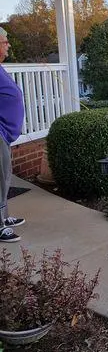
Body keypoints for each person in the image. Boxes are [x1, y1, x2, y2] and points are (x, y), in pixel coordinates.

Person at [0, 27, 26, 242]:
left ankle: (4, 217)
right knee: (0, 179)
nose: (8, 45)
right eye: (4, 42)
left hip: (4, 134)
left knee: (5, 177)